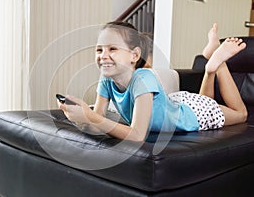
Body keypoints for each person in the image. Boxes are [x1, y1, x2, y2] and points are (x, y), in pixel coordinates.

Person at [58, 21, 248, 142]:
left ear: (134, 55)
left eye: (112, 49)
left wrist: (91, 117)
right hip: (179, 103)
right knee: (207, 99)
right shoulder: (106, 79)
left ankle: (218, 64)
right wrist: (79, 118)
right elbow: (98, 119)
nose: (103, 56)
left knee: (241, 115)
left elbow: (137, 135)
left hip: (192, 114)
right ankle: (211, 65)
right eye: (99, 50)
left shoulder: (143, 78)